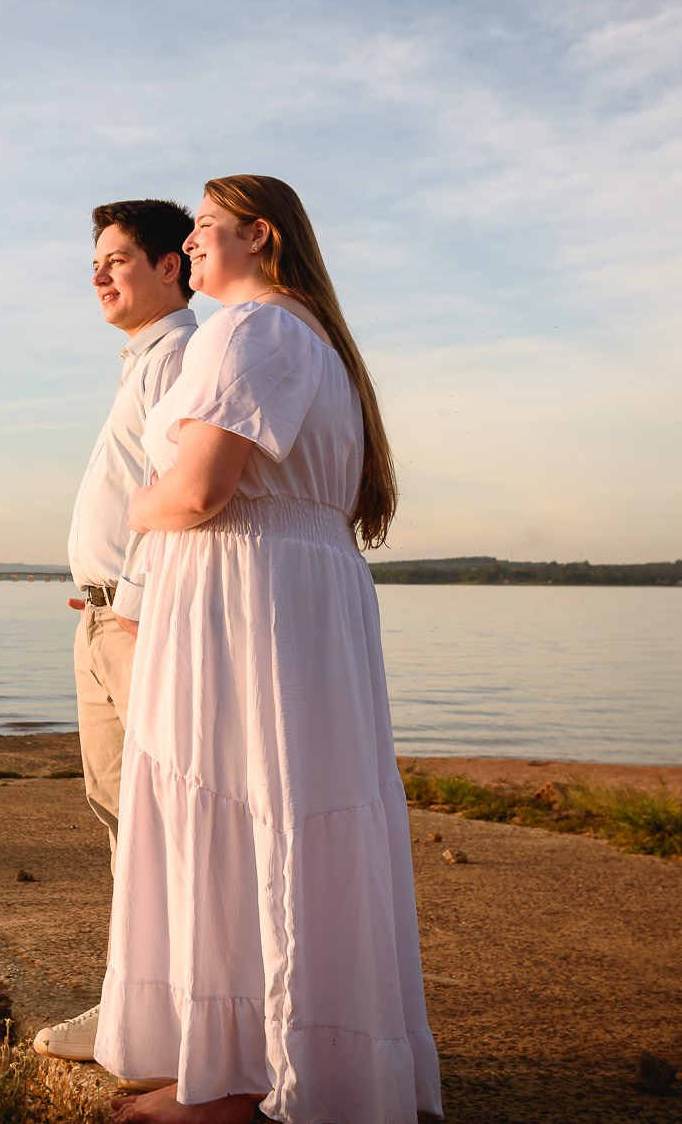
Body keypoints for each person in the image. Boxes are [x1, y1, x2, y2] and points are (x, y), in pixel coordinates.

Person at [97, 175, 442, 1122]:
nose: (193, 242)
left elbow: (199, 488)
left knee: (245, 813)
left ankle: (241, 1081)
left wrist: (138, 502)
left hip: (244, 593)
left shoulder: (253, 330)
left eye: (206, 228)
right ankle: (265, 1061)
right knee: (282, 811)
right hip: (293, 590)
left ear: (261, 236)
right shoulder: (309, 339)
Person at [32, 199, 197, 1067]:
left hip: (138, 621)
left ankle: (166, 1018)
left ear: (173, 265)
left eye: (118, 258)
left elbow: (183, 493)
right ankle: (135, 1005)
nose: (98, 274)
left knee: (158, 824)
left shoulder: (179, 360)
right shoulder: (141, 362)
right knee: (119, 816)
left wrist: (129, 594)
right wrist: (98, 590)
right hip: (102, 616)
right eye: (94, 261)